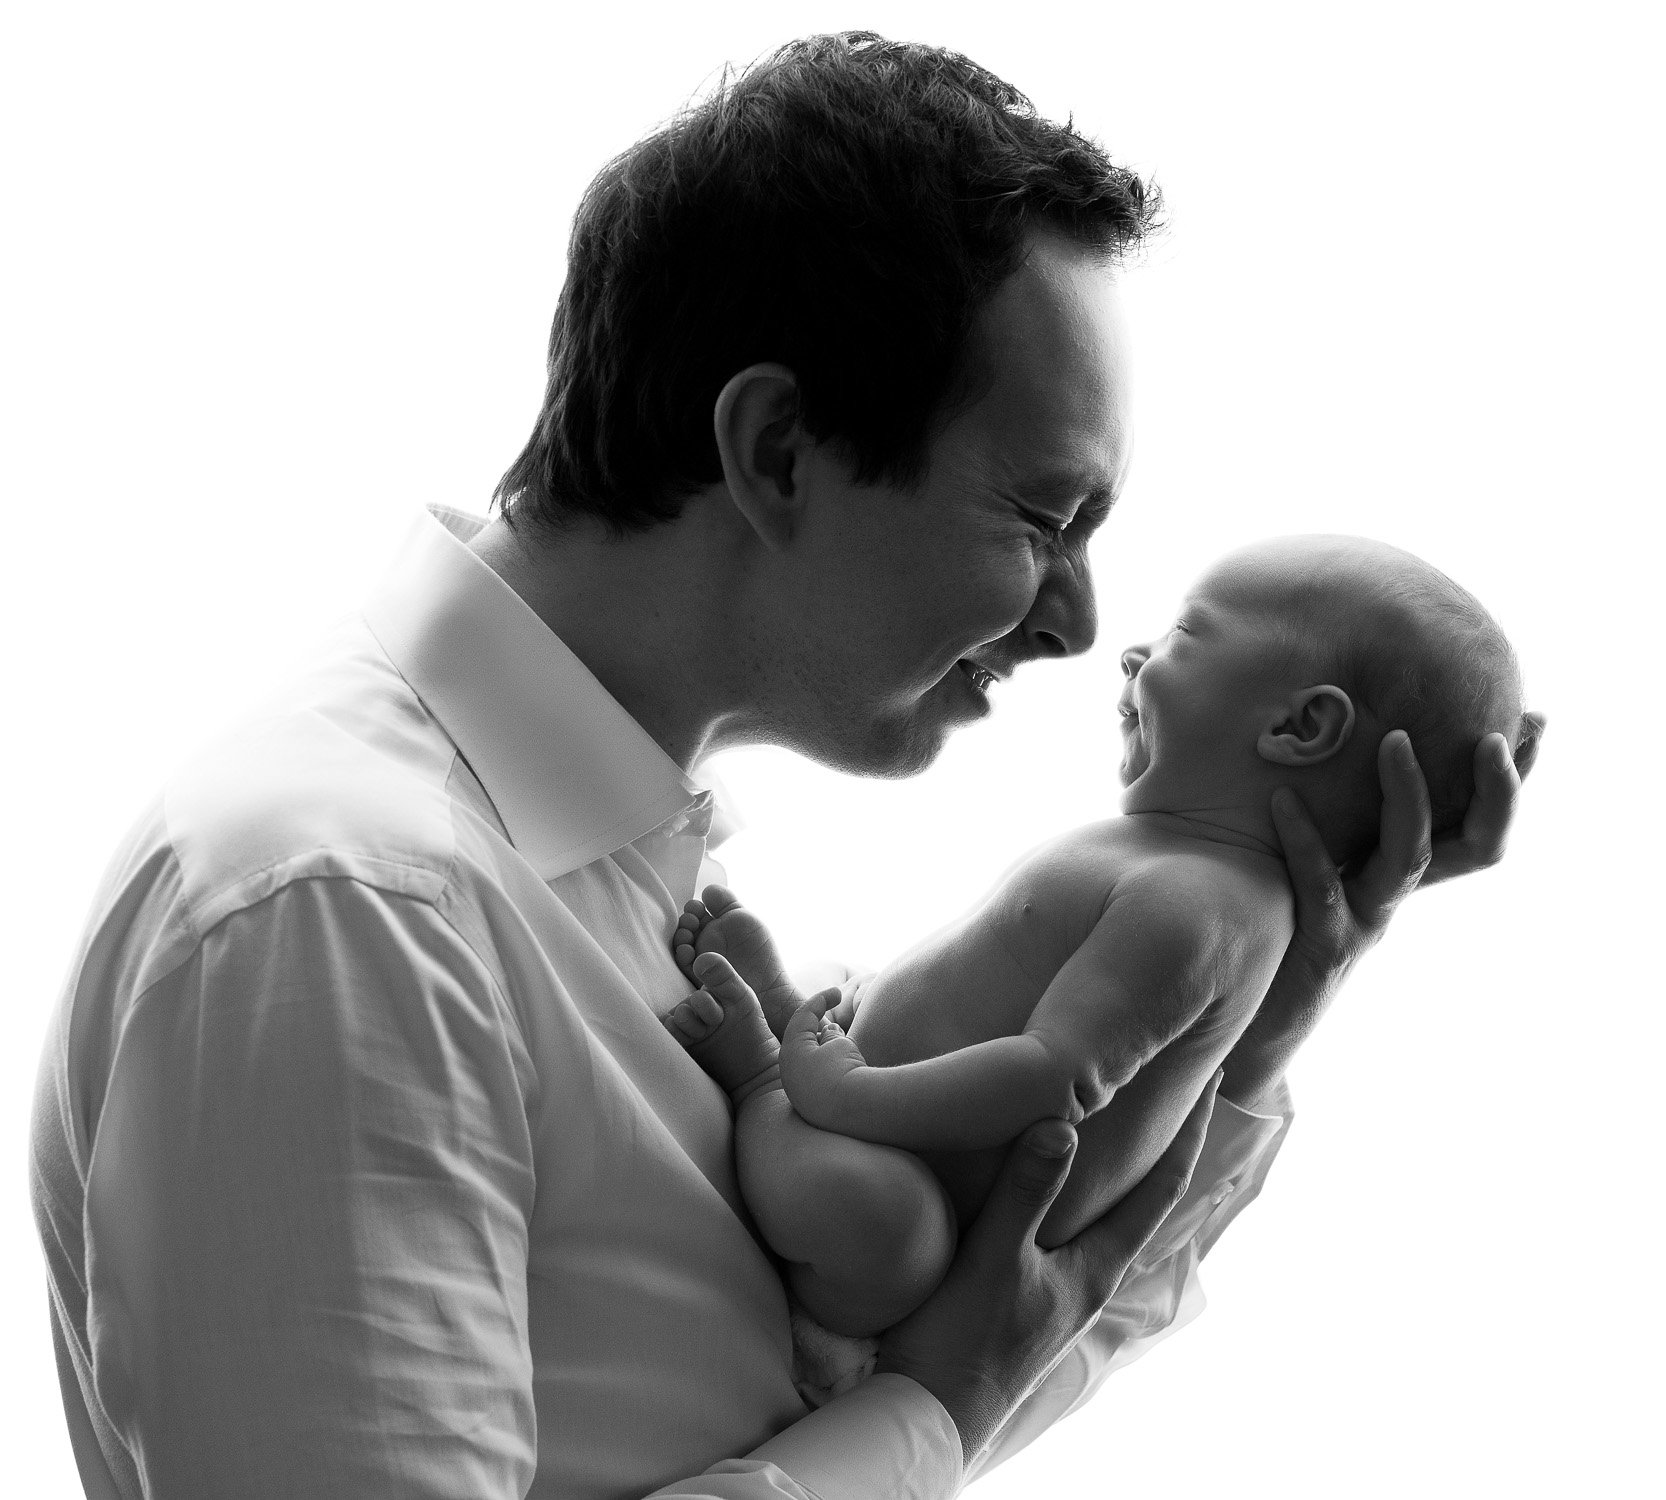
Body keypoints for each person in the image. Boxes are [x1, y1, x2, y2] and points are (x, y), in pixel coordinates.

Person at [29, 33, 1534, 1500]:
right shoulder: (350, 912)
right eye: (1044, 517)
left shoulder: (607, 883)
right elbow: (928, 1398)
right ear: (778, 450)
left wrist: (1255, 1020)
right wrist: (932, 1419)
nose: (1082, 625)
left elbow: (947, 1354)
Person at [662, 535, 1543, 1399]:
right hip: (887, 1121)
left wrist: (843, 1091)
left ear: (1300, 725)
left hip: (894, 1262)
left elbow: (1049, 1077)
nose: (1131, 651)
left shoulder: (1200, 903)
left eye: (1183, 637)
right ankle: (796, 1021)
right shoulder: (1167, 860)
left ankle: (763, 1088)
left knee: (885, 1225)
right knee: (845, 979)